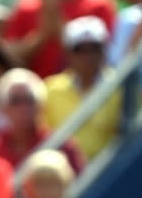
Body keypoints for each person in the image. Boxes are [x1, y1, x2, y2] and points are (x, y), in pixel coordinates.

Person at [43, 15, 122, 160]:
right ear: (67, 53)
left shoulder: (121, 87)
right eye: (79, 49)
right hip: (64, 176)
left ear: (104, 51)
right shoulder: (50, 89)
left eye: (94, 48)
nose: (88, 56)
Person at [0, 68, 85, 174]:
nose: (23, 107)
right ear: (2, 108)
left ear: (41, 105)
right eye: (15, 101)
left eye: (29, 99)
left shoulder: (62, 146)